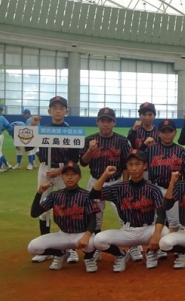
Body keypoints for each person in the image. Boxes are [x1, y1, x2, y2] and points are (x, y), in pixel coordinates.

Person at [91, 150, 168, 272]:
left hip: (147, 230)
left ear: (145, 166)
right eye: (130, 164)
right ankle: (121, 255)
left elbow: (161, 214)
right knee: (98, 240)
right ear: (127, 166)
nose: (134, 168)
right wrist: (105, 175)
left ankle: (151, 252)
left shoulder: (153, 189)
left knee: (165, 233)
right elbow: (93, 194)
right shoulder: (119, 188)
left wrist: (156, 235)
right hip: (127, 231)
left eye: (137, 164)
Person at [28, 96, 81, 263]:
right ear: (49, 111)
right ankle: (46, 249)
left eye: (61, 108)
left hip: (64, 170)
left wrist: (60, 170)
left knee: (69, 206)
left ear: (66, 111)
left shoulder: (70, 132)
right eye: (54, 108)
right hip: (45, 169)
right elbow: (28, 146)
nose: (58, 111)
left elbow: (75, 159)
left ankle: (71, 248)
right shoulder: (42, 129)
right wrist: (32, 126)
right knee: (44, 207)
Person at [28, 162, 100, 272]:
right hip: (63, 234)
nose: (70, 177)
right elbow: (34, 213)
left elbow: (93, 220)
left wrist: (86, 236)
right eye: (66, 174)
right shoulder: (55, 196)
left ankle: (89, 258)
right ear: (62, 177)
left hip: (81, 234)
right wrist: (39, 193)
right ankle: (61, 253)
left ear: (79, 177)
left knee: (93, 242)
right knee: (33, 247)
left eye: (73, 174)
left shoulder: (87, 196)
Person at [79, 108, 132, 236]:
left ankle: (132, 243)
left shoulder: (122, 141)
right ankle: (96, 242)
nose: (106, 124)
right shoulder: (89, 140)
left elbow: (126, 165)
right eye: (102, 121)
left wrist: (125, 184)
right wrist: (90, 150)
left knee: (124, 215)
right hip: (95, 181)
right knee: (95, 216)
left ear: (114, 123)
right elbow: (83, 162)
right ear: (97, 122)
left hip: (116, 182)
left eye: (109, 121)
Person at [144, 119, 185, 234]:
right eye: (164, 131)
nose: (167, 134)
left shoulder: (181, 151)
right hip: (156, 188)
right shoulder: (150, 150)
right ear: (158, 133)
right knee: (156, 220)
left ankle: (175, 243)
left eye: (170, 131)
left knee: (175, 222)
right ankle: (158, 244)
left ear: (175, 133)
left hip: (175, 190)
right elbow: (137, 162)